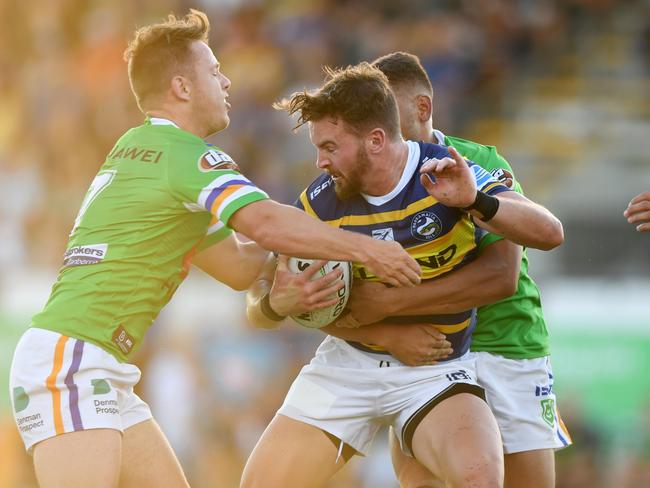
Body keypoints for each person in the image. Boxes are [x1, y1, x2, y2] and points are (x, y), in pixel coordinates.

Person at [8, 12, 422, 488]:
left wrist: (282, 289)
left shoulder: (142, 149)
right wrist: (367, 247)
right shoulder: (184, 154)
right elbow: (264, 223)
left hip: (97, 364)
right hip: (75, 362)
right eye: (214, 71)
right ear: (182, 87)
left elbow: (241, 265)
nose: (227, 80)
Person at [241, 62, 563, 488]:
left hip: (434, 370)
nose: (320, 161)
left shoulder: (447, 172)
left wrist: (476, 200)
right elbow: (263, 296)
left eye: (330, 147)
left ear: (376, 139)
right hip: (347, 367)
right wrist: (274, 304)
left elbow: (548, 234)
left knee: (480, 478)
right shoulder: (320, 203)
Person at [352, 51, 571, 488]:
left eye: (388, 114)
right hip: (432, 353)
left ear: (422, 108)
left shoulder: (477, 164)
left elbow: (501, 277)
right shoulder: (364, 180)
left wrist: (394, 303)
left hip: (505, 346)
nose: (378, 132)